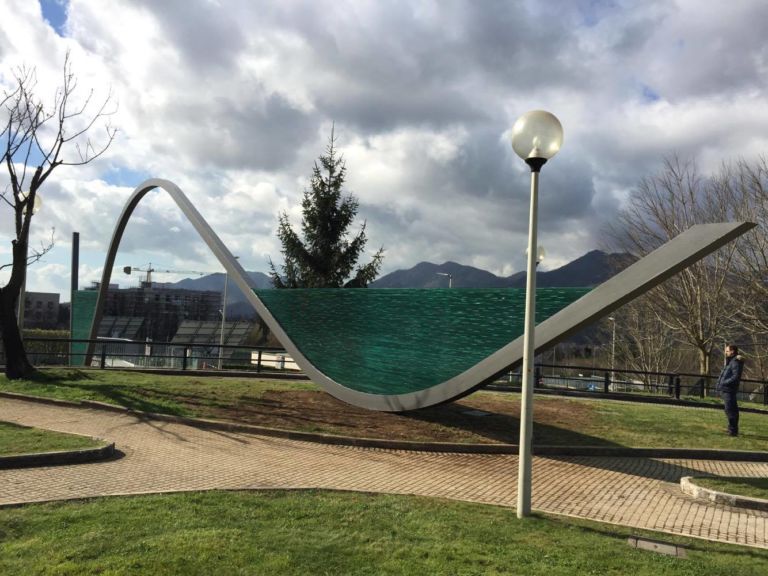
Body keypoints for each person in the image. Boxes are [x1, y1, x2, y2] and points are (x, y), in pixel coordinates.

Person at [716, 344, 744, 437]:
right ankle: (731, 428)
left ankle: (733, 431)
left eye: (727, 351)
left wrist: (724, 382)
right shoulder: (730, 361)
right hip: (727, 389)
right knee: (731, 410)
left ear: (732, 351)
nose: (725, 352)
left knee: (730, 410)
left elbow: (735, 377)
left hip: (729, 389)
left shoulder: (735, 362)